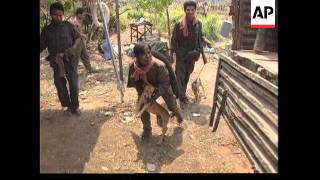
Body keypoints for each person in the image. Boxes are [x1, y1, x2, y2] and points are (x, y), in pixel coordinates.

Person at [127, 43, 184, 140]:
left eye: (149, 53)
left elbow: (165, 84)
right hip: (147, 88)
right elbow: (135, 83)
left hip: (162, 86)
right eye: (143, 54)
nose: (147, 56)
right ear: (137, 57)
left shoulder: (159, 66)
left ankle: (178, 115)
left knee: (172, 105)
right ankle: (147, 130)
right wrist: (143, 95)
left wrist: (154, 97)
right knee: (142, 108)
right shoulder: (133, 67)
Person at [40, 2, 82, 116]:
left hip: (69, 59)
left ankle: (75, 106)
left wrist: (73, 47)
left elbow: (78, 38)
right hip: (56, 61)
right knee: (60, 85)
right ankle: (68, 106)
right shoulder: (46, 30)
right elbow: (41, 45)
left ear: (63, 15)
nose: (58, 18)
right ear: (51, 15)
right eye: (55, 15)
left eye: (60, 15)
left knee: (73, 83)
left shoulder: (68, 26)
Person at [170, 0, 211, 108]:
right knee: (180, 77)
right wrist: (172, 55)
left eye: (192, 10)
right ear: (185, 10)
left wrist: (205, 40)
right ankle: (181, 98)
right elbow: (174, 41)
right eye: (188, 10)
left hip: (192, 55)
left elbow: (200, 35)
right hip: (181, 55)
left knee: (187, 76)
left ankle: (181, 95)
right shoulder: (179, 24)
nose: (190, 12)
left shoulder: (198, 24)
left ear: (195, 10)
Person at [70, 7, 97, 73]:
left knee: (85, 55)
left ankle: (89, 68)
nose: (84, 16)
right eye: (83, 14)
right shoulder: (75, 22)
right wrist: (83, 35)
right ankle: (73, 71)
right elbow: (75, 33)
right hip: (76, 42)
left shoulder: (79, 20)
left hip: (81, 41)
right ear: (79, 14)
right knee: (76, 57)